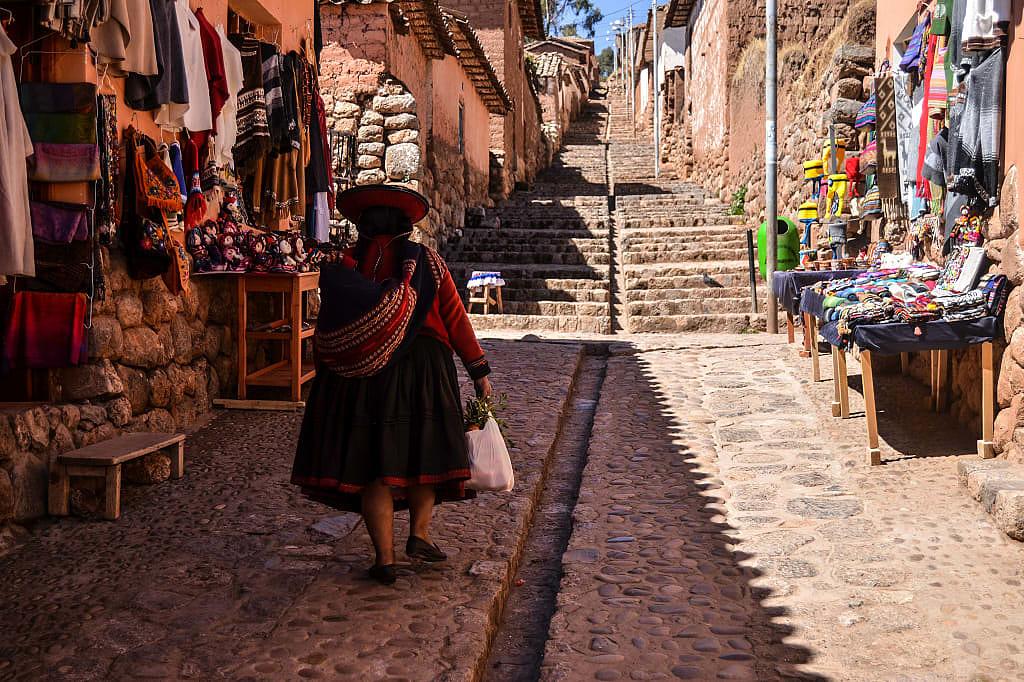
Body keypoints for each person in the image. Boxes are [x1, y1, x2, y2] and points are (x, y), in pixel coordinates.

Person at [291, 184, 492, 585]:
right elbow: (454, 318)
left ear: (363, 227)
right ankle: (419, 535)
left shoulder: (347, 268)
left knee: (374, 468)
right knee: (423, 459)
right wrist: (478, 370)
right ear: (406, 226)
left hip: (362, 380)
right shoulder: (429, 264)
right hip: (425, 374)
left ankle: (384, 559)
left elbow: (330, 325)